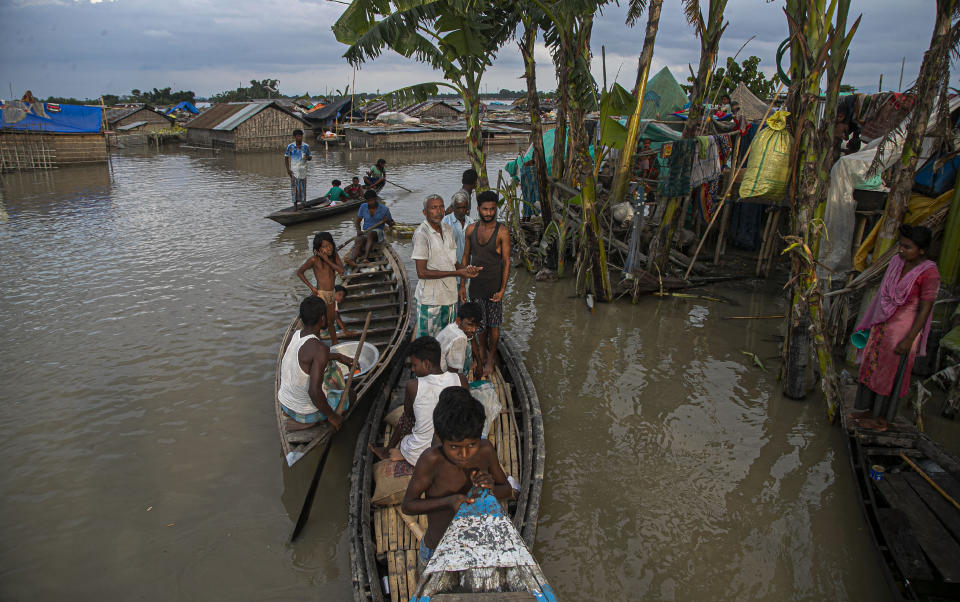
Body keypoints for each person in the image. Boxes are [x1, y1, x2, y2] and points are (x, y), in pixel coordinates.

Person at [401, 386, 513, 576]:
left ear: (480, 437)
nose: (464, 454)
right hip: (438, 550)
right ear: (440, 438)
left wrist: (489, 488)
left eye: (471, 444)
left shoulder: (485, 451)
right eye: (454, 447)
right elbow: (408, 506)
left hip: (476, 547)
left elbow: (507, 490)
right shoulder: (431, 460)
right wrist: (448, 501)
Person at [851, 225, 941, 430]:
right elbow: (884, 294)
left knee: (888, 374)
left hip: (903, 330)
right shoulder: (897, 262)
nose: (901, 250)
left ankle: (880, 419)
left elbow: (925, 309)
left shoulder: (930, 274)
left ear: (922, 250)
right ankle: (870, 410)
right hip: (882, 324)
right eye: (901, 245)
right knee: (872, 366)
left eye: (907, 247)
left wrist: (910, 338)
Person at [369, 336, 466, 464]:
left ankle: (387, 450)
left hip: (419, 455)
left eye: (414, 365)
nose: (413, 369)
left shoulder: (413, 386)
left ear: (427, 364)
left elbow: (408, 417)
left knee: (406, 418)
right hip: (454, 451)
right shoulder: (460, 379)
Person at [278, 296, 356, 432]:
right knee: (352, 395)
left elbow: (304, 359)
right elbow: (314, 392)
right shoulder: (319, 349)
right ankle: (316, 422)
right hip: (305, 413)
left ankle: (304, 415)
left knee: (328, 368)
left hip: (285, 404)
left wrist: (337, 356)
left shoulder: (292, 336)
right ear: (322, 319)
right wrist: (332, 416)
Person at [412, 194, 481, 338]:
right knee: (427, 342)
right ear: (425, 212)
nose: (438, 211)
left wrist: (466, 270)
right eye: (433, 208)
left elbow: (452, 262)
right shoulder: (421, 234)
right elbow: (422, 272)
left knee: (446, 339)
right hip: (430, 300)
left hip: (449, 298)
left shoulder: (448, 230)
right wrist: (457, 274)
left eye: (441, 207)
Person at [459, 191, 510, 378]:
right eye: (485, 209)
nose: (488, 213)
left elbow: (506, 262)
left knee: (494, 327)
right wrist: (463, 284)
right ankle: (481, 353)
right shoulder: (471, 230)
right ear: (478, 209)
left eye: (492, 209)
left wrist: (502, 290)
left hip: (494, 288)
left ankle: (490, 358)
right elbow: (465, 257)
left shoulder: (502, 231)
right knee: (479, 325)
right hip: (476, 286)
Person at [297, 232, 346, 345]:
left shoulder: (334, 256)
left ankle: (335, 343)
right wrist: (312, 288)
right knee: (318, 323)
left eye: (330, 245)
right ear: (318, 249)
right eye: (324, 247)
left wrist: (327, 259)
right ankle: (317, 344)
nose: (329, 248)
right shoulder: (314, 260)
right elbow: (300, 272)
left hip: (331, 293)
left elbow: (341, 270)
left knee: (331, 321)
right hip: (321, 294)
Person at [435, 301, 482, 376]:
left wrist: (479, 364)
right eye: (470, 325)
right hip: (443, 377)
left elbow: (472, 339)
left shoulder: (453, 326)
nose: (474, 330)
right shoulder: (460, 338)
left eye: (476, 326)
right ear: (458, 321)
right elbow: (453, 373)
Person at [350, 189, 394, 265]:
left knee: (371, 234)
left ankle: (365, 258)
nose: (370, 203)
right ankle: (352, 260)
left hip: (378, 232)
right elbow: (357, 222)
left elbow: (391, 223)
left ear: (376, 198)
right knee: (359, 240)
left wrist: (387, 221)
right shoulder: (363, 206)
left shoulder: (384, 209)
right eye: (368, 201)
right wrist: (358, 231)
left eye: (371, 200)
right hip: (366, 231)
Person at [441, 194, 475, 266]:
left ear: (467, 208)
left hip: (468, 266)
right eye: (458, 208)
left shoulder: (471, 222)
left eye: (464, 208)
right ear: (453, 208)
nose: (461, 211)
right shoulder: (445, 222)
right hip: (451, 267)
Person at [284, 129, 312, 211]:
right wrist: (288, 169)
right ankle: (295, 207)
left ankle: (303, 207)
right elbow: (286, 157)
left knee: (303, 189)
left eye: (301, 136)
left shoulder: (306, 146)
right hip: (293, 171)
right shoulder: (290, 146)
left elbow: (310, 157)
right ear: (295, 137)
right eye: (298, 136)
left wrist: (308, 157)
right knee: (294, 190)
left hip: (303, 171)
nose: (300, 138)